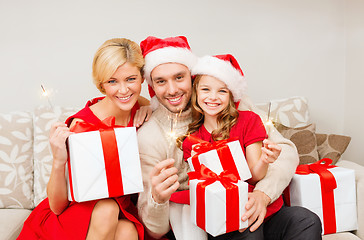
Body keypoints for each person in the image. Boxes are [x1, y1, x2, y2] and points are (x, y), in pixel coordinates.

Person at [136, 36, 322, 240]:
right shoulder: (150, 136)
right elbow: (154, 229)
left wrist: (263, 194)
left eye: (179, 77)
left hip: (255, 205)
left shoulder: (234, 107)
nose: (172, 90)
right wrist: (158, 198)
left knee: (306, 220)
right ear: (152, 85)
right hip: (212, 221)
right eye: (161, 81)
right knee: (246, 231)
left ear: (192, 77)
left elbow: (286, 152)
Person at [18, 38, 152, 240]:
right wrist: (58, 160)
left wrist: (152, 108)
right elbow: (57, 206)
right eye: (112, 81)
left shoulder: (139, 105)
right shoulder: (82, 126)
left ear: (142, 78)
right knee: (107, 208)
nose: (124, 90)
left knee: (128, 231)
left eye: (131, 79)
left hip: (119, 211)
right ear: (101, 84)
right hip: (74, 214)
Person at [179, 54, 282, 239]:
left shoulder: (249, 121)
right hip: (225, 215)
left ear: (231, 95)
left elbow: (255, 176)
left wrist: (265, 160)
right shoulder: (191, 141)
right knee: (250, 232)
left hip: (259, 205)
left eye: (222, 91)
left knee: (306, 219)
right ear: (196, 92)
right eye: (205, 89)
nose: (213, 97)